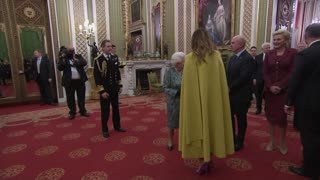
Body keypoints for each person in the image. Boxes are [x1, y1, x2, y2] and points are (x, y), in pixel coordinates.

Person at [179, 28, 234, 175]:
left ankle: (203, 160)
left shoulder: (189, 58)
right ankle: (209, 159)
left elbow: (186, 88)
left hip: (194, 104)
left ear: (193, 41)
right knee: (211, 123)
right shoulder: (216, 56)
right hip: (213, 103)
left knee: (197, 125)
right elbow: (221, 83)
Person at [285, 23, 320, 180]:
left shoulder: (305, 54)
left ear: (306, 35)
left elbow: (295, 79)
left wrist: (288, 101)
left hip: (310, 104)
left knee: (310, 138)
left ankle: (310, 170)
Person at [263, 30, 297, 155]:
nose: (276, 41)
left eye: (279, 39)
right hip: (270, 91)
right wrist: (270, 86)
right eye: (275, 39)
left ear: (286, 40)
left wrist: (280, 86)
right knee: (270, 116)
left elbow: (292, 72)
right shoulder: (269, 54)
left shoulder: (293, 53)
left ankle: (282, 143)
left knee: (282, 118)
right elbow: (265, 72)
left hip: (284, 92)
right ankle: (271, 141)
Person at [227, 35, 255, 151]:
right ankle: (232, 138)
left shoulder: (248, 58)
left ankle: (240, 141)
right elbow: (228, 75)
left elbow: (244, 77)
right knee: (229, 117)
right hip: (231, 94)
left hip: (242, 95)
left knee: (241, 118)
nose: (231, 45)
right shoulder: (233, 58)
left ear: (240, 44)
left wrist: (229, 87)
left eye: (233, 43)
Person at [94, 39, 126, 138]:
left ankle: (117, 126)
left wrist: (119, 85)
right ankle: (105, 129)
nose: (110, 48)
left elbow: (117, 73)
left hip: (114, 89)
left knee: (116, 109)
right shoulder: (98, 60)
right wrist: (102, 91)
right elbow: (97, 77)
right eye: (108, 46)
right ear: (103, 48)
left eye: (111, 46)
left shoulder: (114, 57)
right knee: (105, 110)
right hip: (105, 90)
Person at [57, 47, 89, 120]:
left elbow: (85, 62)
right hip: (69, 82)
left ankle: (82, 111)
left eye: (72, 51)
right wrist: (63, 58)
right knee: (70, 98)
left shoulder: (78, 56)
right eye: (69, 51)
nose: (71, 52)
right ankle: (72, 112)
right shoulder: (63, 58)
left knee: (81, 97)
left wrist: (76, 60)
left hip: (80, 81)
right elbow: (59, 68)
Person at [163, 52, 185, 151]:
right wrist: (177, 92)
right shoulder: (169, 71)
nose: (185, 63)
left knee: (184, 122)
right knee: (171, 123)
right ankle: (170, 141)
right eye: (183, 61)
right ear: (178, 63)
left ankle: (183, 142)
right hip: (173, 101)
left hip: (185, 101)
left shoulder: (186, 70)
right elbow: (165, 88)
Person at [253, 42, 271, 114]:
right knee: (258, 94)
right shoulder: (258, 57)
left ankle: (267, 110)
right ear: (262, 49)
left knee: (267, 95)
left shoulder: (273, 56)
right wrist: (254, 78)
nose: (268, 49)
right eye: (266, 48)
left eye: (269, 47)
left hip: (269, 80)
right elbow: (254, 68)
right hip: (259, 79)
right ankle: (258, 109)